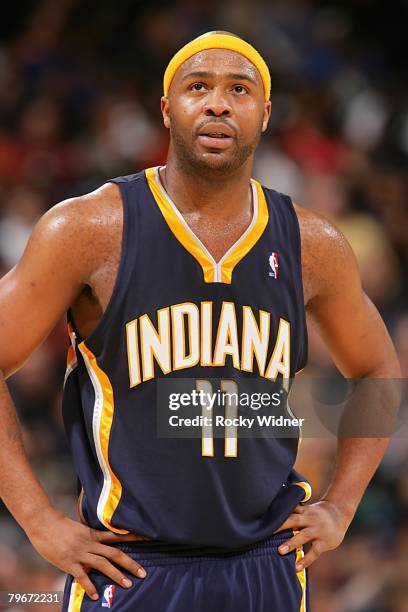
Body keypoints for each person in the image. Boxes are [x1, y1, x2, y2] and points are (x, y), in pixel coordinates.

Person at [0, 31, 400, 612]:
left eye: (238, 89)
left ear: (264, 116)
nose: (217, 103)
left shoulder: (313, 244)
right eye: (198, 87)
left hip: (268, 565)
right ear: (167, 110)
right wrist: (40, 522)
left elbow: (378, 373)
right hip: (133, 565)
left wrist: (341, 505)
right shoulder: (87, 230)